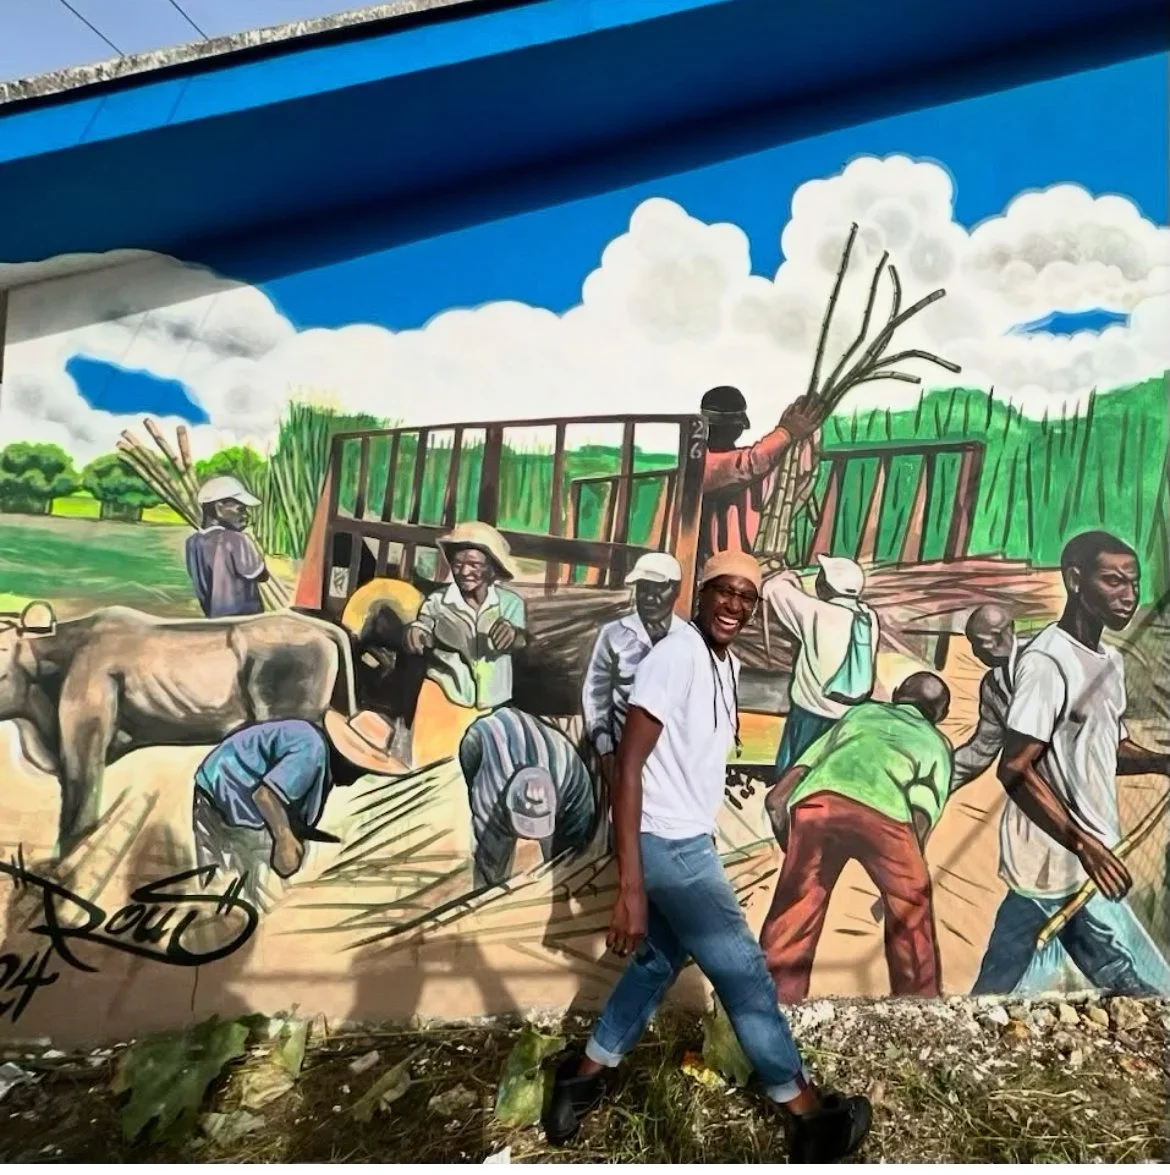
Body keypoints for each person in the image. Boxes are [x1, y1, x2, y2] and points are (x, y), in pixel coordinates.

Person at [543, 551, 871, 1162]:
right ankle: (806, 1116)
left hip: (686, 839)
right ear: (701, 592)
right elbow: (629, 768)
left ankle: (579, 1081)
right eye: (725, 591)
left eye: (747, 597)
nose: (735, 606)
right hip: (666, 846)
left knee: (655, 964)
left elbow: (688, 763)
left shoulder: (725, 663)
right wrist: (630, 887)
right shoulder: (674, 656)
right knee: (745, 977)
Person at [973, 530, 1170, 996]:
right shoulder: (1047, 662)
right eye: (1113, 581)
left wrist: (1163, 761)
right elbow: (1014, 768)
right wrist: (1084, 845)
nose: (1128, 595)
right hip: (1056, 856)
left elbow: (1108, 749)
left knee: (1002, 983)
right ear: (1075, 580)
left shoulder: (1109, 662)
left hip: (1085, 857)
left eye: (1133, 583)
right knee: (1140, 984)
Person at [759, 673, 953, 1002]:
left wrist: (795, 852)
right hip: (885, 816)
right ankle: (918, 1003)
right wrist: (904, 877)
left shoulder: (858, 714)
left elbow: (777, 799)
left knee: (795, 906)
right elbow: (919, 817)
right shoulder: (937, 744)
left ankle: (774, 999)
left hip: (818, 806)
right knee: (911, 910)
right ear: (940, 715)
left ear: (896, 693)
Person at [192, 709, 406, 910]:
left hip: (231, 793)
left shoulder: (317, 753)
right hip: (221, 790)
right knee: (224, 882)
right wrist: (284, 838)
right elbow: (265, 796)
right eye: (361, 769)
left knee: (247, 883)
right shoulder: (312, 751)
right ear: (348, 760)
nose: (357, 777)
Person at [403, 522, 528, 767]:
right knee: (431, 768)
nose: (464, 571)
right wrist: (417, 634)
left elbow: (521, 641)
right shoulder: (438, 601)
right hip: (444, 698)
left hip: (492, 704)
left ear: (491, 568)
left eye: (474, 564)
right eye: (458, 564)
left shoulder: (511, 603)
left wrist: (513, 635)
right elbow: (424, 626)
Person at [762, 554, 880, 776]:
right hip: (847, 719)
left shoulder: (816, 612)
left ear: (826, 585)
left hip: (810, 715)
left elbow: (774, 588)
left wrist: (790, 575)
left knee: (792, 775)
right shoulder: (869, 617)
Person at [460, 706, 597, 888]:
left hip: (553, 759)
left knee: (569, 851)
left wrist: (562, 873)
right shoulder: (493, 789)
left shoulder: (572, 776)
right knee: (492, 853)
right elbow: (487, 854)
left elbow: (576, 839)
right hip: (485, 736)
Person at [582, 552, 683, 788]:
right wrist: (606, 751)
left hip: (672, 767)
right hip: (620, 754)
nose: (650, 598)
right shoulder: (614, 634)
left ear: (676, 590)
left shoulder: (688, 639)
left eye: (659, 589)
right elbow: (595, 696)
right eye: (643, 589)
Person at [699, 386, 821, 566]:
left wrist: (800, 437)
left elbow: (782, 472)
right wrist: (786, 432)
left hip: (747, 564)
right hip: (714, 568)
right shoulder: (702, 464)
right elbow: (749, 463)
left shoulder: (751, 469)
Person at [950, 604, 1020, 790]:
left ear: (997, 638)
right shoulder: (992, 686)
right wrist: (938, 779)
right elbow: (982, 748)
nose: (975, 653)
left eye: (978, 643)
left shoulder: (1044, 659)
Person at [185, 476, 271, 619]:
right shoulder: (237, 539)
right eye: (240, 509)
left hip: (214, 618)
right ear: (219, 507)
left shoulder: (192, 542)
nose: (246, 515)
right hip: (246, 619)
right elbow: (262, 575)